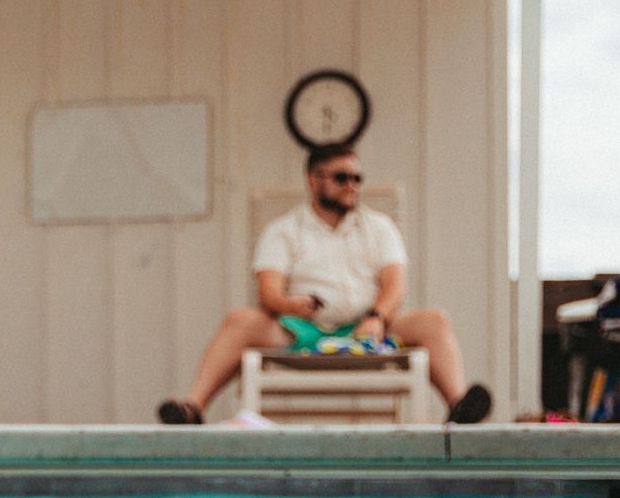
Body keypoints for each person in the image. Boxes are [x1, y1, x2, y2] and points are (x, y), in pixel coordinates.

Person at [157, 144, 491, 425]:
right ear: (313, 180)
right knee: (240, 320)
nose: (352, 185)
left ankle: (459, 406)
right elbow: (269, 291)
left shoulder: (380, 227)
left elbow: (395, 285)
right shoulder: (283, 230)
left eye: (357, 178)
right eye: (341, 177)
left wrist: (376, 316)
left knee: (434, 321)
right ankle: (193, 407)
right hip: (302, 332)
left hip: (369, 331)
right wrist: (291, 305)